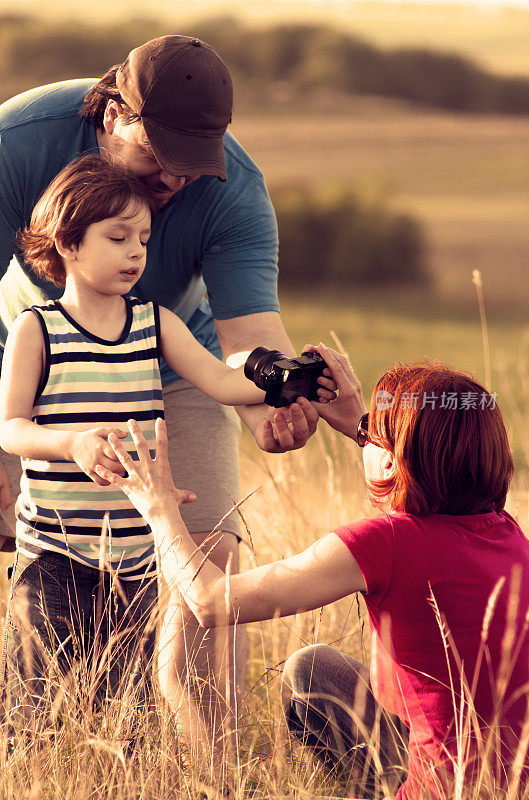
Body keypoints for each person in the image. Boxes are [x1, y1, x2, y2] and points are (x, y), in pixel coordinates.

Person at [0, 35, 318, 741]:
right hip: (28, 360)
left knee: (207, 561)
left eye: (190, 163)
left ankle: (214, 769)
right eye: (155, 157)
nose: (173, 179)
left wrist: (279, 392)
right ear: (112, 114)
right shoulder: (17, 145)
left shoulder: (232, 189)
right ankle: (32, 746)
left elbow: (249, 341)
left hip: (175, 363)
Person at [96, 345, 529, 798]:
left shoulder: (389, 543)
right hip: (513, 782)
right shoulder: (511, 537)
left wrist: (159, 507)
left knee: (307, 674)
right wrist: (366, 424)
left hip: (437, 791)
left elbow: (209, 601)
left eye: (377, 438)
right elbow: (405, 460)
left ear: (389, 460)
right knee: (318, 670)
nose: (366, 440)